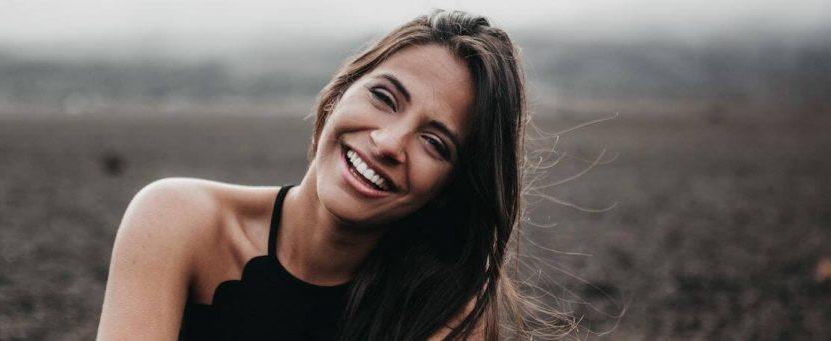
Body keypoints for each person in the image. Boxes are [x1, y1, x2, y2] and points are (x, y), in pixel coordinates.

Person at [98, 9, 559, 340]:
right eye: (384, 97)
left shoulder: (448, 311)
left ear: (448, 189)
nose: (388, 143)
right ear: (339, 93)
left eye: (435, 143)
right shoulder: (178, 220)